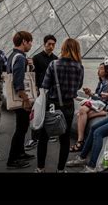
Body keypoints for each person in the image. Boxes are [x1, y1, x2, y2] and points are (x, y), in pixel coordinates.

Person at [35, 38, 84, 173]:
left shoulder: (53, 64)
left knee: (44, 137)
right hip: (68, 105)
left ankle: (40, 168)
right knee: (65, 138)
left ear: (63, 49)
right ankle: (60, 170)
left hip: (52, 105)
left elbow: (44, 85)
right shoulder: (79, 66)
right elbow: (78, 85)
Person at [6, 31, 35, 169]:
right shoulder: (20, 58)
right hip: (21, 99)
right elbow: (18, 82)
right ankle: (12, 159)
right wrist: (26, 99)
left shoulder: (12, 55)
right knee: (21, 128)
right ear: (24, 41)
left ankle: (20, 152)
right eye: (30, 41)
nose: (31, 44)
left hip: (17, 98)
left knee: (22, 128)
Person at [24, 35, 58, 151]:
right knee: (36, 113)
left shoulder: (56, 59)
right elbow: (32, 75)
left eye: (53, 44)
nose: (51, 46)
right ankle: (34, 138)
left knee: (49, 113)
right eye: (49, 44)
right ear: (44, 44)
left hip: (51, 91)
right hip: (39, 91)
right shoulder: (37, 58)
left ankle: (49, 134)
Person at [69, 62, 108, 153]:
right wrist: (90, 94)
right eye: (98, 68)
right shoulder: (101, 82)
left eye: (101, 69)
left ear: (107, 71)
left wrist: (91, 95)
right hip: (100, 104)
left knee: (81, 112)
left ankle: (80, 141)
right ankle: (80, 140)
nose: (98, 71)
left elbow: (103, 99)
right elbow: (98, 96)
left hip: (105, 106)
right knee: (82, 112)